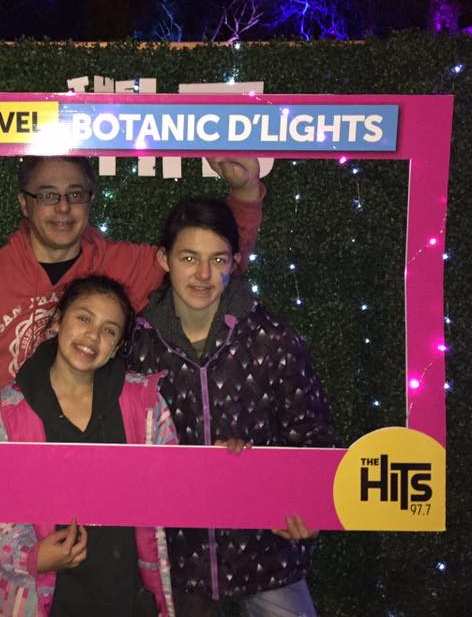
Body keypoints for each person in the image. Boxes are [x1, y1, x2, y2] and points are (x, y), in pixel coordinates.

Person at [0, 156, 262, 615]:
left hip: (104, 501)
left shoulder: (123, 264)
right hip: (11, 495)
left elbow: (206, 265)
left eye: (75, 194)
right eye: (48, 195)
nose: (63, 207)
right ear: (24, 203)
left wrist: (245, 195)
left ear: (91, 200)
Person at [125, 196, 338, 617]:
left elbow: (314, 435)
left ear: (235, 263)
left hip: (268, 551)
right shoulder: (139, 345)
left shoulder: (272, 338)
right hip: (180, 560)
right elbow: (126, 444)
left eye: (218, 259)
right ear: (164, 260)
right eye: (189, 258)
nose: (203, 274)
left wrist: (304, 500)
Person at [0, 275, 177, 617]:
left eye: (109, 330)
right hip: (42, 602)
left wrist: (221, 459)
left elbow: (175, 486)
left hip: (129, 599)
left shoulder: (147, 405)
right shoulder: (8, 411)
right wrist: (32, 557)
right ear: (58, 321)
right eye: (84, 318)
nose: (93, 335)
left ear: (117, 347)